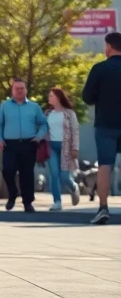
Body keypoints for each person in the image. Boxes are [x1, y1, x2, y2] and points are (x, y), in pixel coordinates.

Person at [82, 31, 121, 225]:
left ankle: (103, 207)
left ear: (110, 47)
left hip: (106, 124)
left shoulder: (99, 69)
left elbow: (87, 98)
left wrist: (101, 97)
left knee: (105, 165)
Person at [0, 78, 47, 213]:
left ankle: (27, 202)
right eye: (16, 88)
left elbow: (43, 124)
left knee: (27, 174)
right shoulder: (5, 106)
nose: (19, 90)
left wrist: (38, 137)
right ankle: (12, 193)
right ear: (12, 90)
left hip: (29, 143)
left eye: (22, 88)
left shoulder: (34, 107)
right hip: (9, 144)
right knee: (7, 170)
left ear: (26, 90)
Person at [45, 87, 80, 211]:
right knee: (54, 174)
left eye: (51, 96)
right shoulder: (47, 113)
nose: (49, 98)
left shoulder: (69, 113)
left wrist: (75, 148)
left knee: (64, 176)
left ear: (58, 97)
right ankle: (57, 201)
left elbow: (75, 132)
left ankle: (74, 187)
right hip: (51, 146)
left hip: (66, 147)